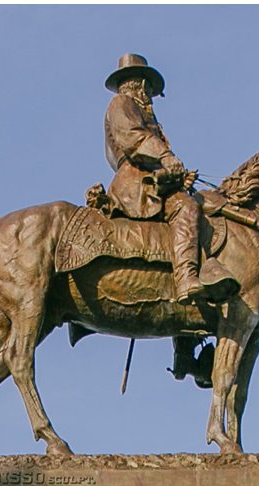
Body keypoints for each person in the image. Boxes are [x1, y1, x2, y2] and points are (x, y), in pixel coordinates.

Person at [101, 53, 207, 304]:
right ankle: (185, 278)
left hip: (148, 179)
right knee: (186, 208)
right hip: (135, 183)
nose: (150, 94)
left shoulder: (140, 110)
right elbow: (134, 139)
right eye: (148, 88)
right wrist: (166, 157)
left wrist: (177, 180)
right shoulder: (122, 103)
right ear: (140, 84)